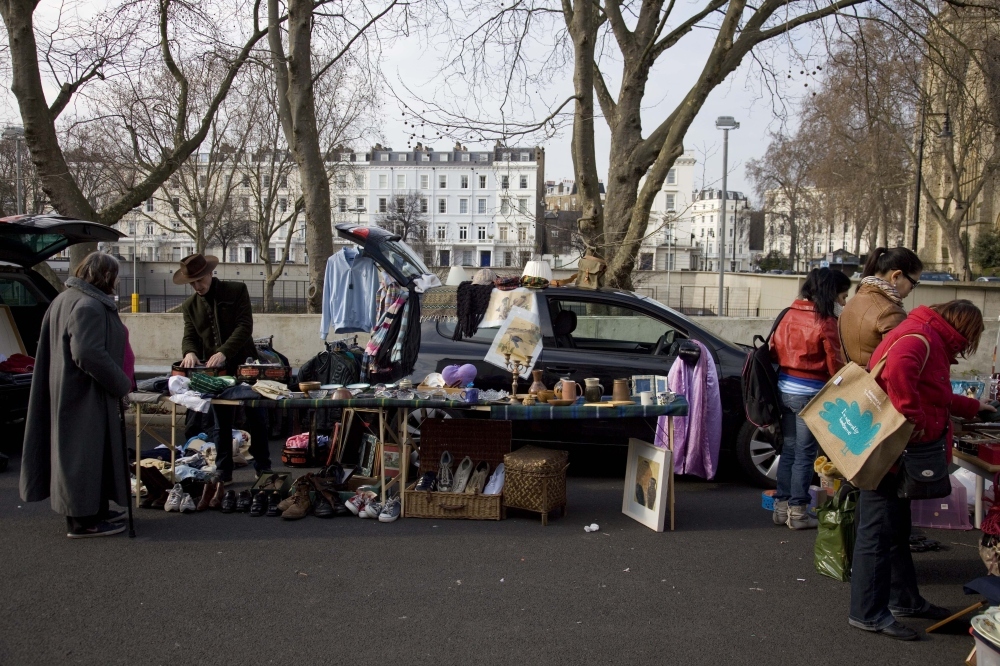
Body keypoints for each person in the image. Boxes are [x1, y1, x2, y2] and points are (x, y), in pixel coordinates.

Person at [850, 300, 994, 640]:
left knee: (894, 530)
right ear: (963, 328)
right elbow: (901, 372)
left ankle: (905, 600)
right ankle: (867, 613)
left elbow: (934, 392)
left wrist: (973, 406)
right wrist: (911, 417)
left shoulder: (923, 334)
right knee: (878, 532)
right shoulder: (920, 338)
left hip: (894, 450)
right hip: (892, 452)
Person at [20, 252, 133, 538]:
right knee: (82, 455)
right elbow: (88, 353)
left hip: (70, 391)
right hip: (83, 395)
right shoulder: (88, 306)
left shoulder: (64, 299)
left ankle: (93, 510)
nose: (118, 282)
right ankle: (83, 520)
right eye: (116, 276)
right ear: (106, 276)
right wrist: (121, 383)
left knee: (86, 454)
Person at [175, 253, 271, 484]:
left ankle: (264, 467)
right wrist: (189, 352)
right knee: (221, 421)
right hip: (216, 371)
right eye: (193, 283)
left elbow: (244, 326)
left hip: (245, 364)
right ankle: (223, 470)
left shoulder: (236, 290)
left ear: (210, 273)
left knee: (255, 416)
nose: (197, 286)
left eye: (200, 280)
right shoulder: (190, 306)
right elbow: (190, 336)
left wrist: (224, 351)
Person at [770, 268, 850, 529]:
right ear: (830, 292)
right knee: (805, 454)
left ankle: (780, 509)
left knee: (789, 450)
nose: (843, 303)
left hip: (785, 389)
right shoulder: (825, 321)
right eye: (842, 296)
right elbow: (835, 364)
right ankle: (798, 513)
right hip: (810, 394)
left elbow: (773, 350)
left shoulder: (787, 314)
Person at [840, 247, 923, 366]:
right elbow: (897, 365)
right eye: (913, 283)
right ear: (896, 276)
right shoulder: (890, 311)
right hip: (876, 383)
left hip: (852, 380)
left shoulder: (851, 303)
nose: (911, 290)